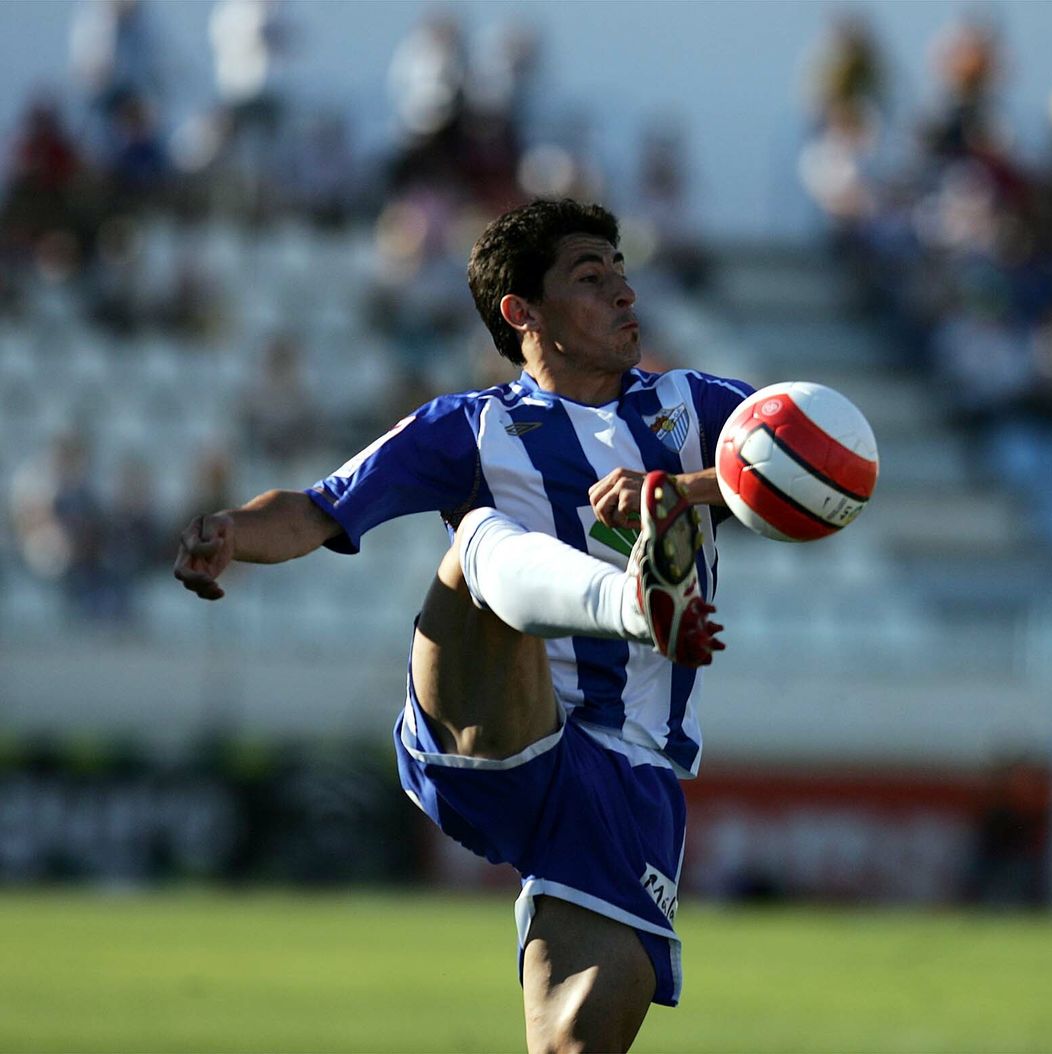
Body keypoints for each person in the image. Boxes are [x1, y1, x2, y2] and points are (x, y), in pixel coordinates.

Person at [173, 198, 754, 1052]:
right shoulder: (471, 428)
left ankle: (640, 602)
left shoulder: (692, 407)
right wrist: (230, 531)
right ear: (524, 313)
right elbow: (316, 510)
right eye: (591, 277)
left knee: (580, 1040)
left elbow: (827, 462)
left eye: (621, 272)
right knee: (478, 535)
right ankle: (636, 604)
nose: (624, 293)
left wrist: (678, 490)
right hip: (490, 718)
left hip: (629, 768)